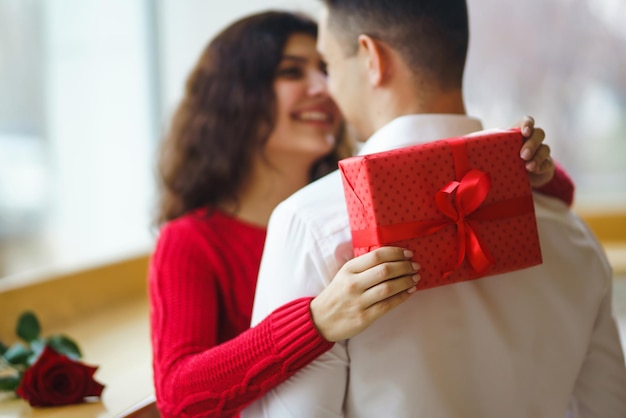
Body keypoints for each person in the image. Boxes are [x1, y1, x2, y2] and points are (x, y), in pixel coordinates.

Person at [149, 9, 575, 418]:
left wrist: (535, 168)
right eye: (292, 71)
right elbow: (176, 396)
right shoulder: (190, 241)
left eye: (324, 68)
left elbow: (556, 199)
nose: (323, 86)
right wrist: (317, 321)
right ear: (234, 96)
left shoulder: (358, 201)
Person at [243, 2, 626, 418]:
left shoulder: (311, 224)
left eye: (329, 66)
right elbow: (606, 406)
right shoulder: (571, 233)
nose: (329, 90)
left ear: (372, 58)